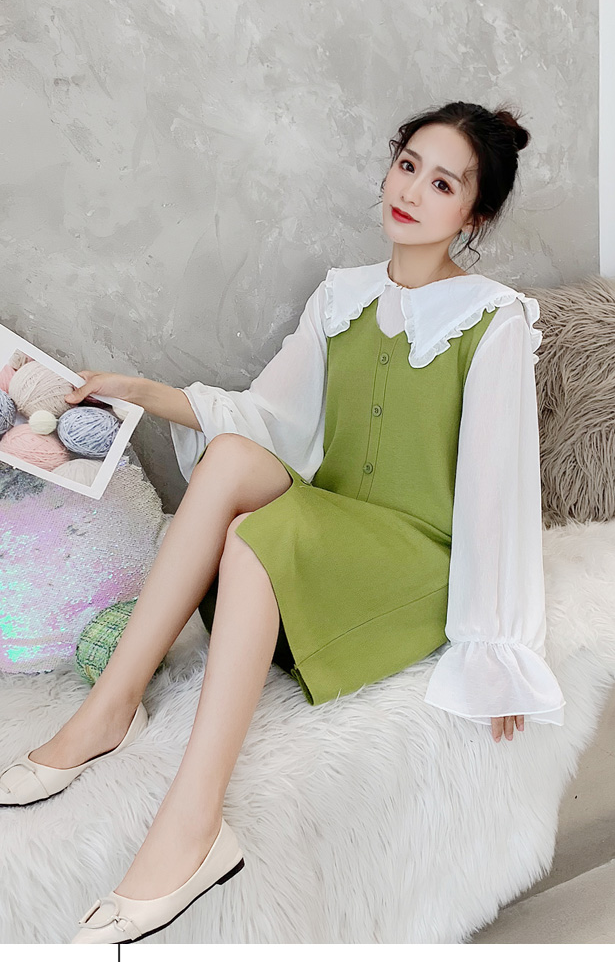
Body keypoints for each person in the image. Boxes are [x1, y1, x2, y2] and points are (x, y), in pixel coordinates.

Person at [0, 100, 565, 944]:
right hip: (333, 529)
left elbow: (497, 490)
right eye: (408, 164)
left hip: (414, 559)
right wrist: (136, 390)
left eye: (443, 183)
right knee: (232, 459)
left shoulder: (494, 318)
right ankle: (112, 705)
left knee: (253, 539)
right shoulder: (342, 296)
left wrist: (499, 652)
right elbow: (265, 419)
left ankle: (193, 825)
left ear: (473, 215)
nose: (412, 190)